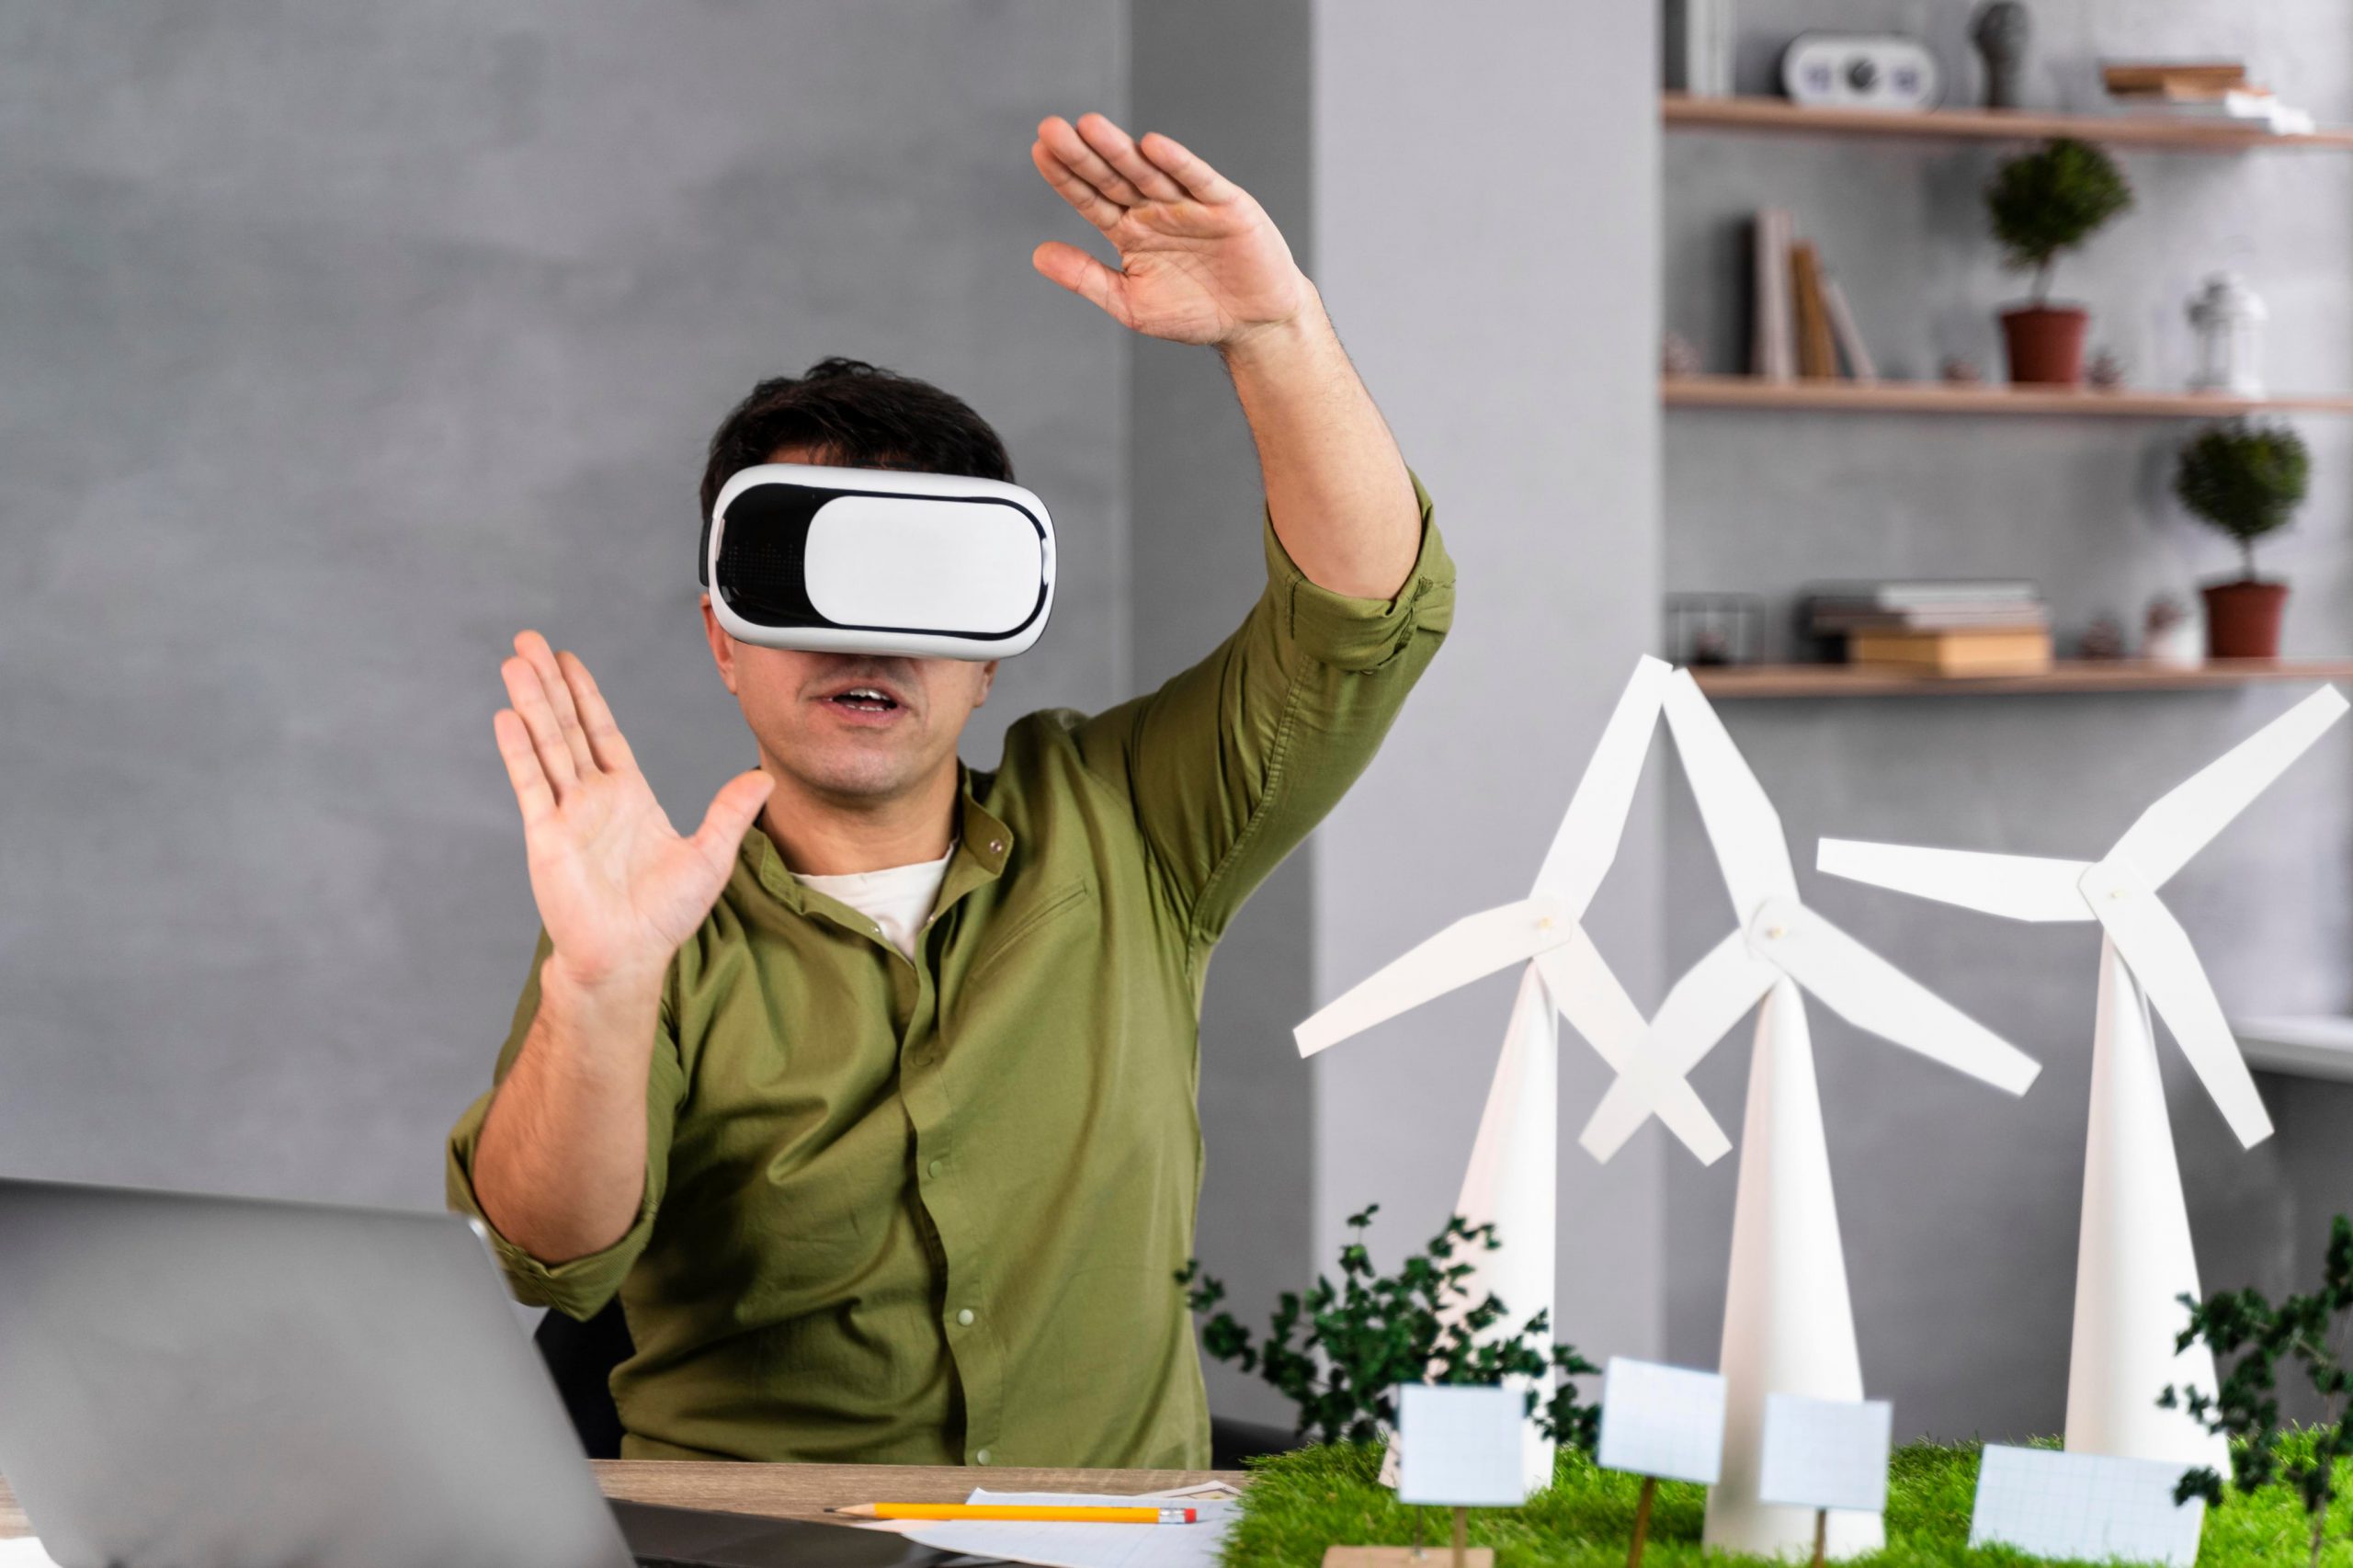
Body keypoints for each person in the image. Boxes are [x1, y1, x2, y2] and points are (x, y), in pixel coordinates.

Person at [446, 111, 1454, 1468]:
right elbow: (551, 1254)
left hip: (1101, 1554)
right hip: (760, 1565)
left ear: (990, 660)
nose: (870, 642)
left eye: (924, 590)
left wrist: (1277, 333)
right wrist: (602, 989)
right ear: (722, 636)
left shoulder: (1131, 826)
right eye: (815, 582)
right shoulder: (645, 919)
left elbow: (1363, 619)